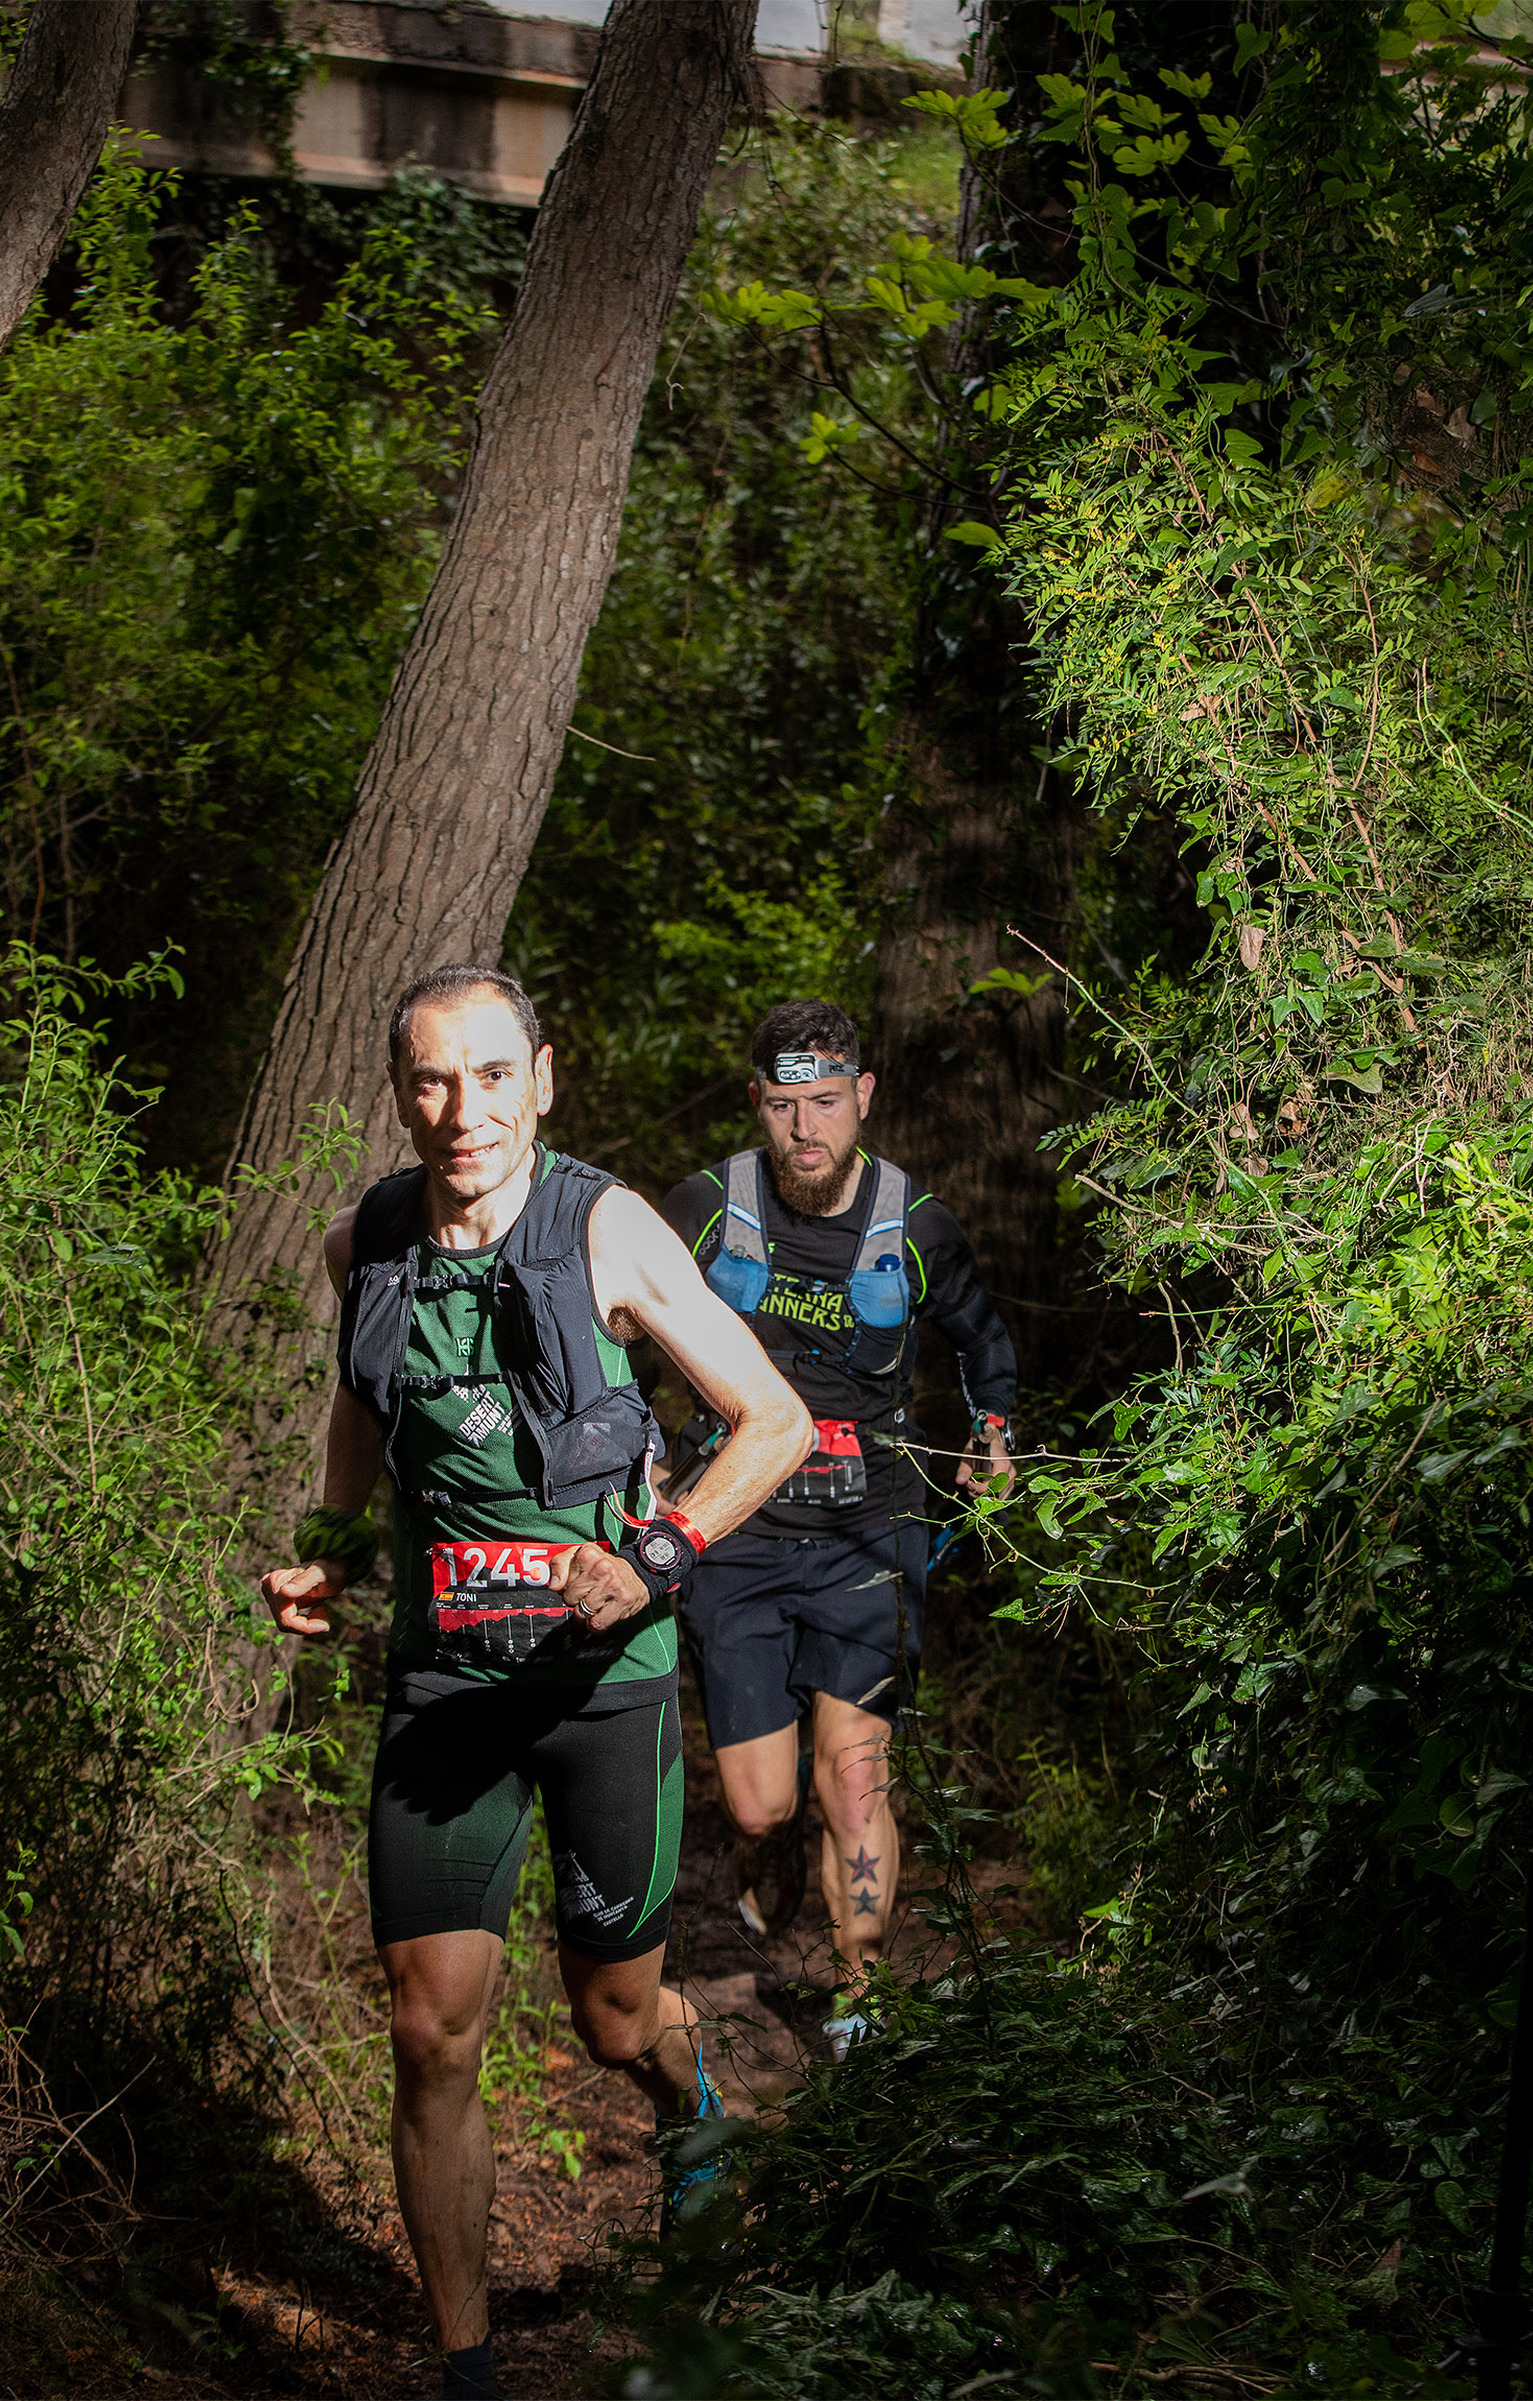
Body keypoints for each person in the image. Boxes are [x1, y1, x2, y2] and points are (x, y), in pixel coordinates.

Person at [259, 965, 811, 2401]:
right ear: (401, 1094)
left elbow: (774, 1420)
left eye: (494, 1074)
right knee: (428, 2025)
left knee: (613, 2016)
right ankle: (469, 2368)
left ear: (542, 1080)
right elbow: (365, 1408)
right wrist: (331, 1550)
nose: (466, 1111)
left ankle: (694, 2105)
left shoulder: (606, 1230)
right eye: (435, 1080)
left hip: (602, 1685)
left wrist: (658, 1554)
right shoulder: (365, 1241)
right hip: (447, 1684)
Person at [658, 999, 1016, 2059]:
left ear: (863, 1095)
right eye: (783, 1104)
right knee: (760, 1806)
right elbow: (613, 1320)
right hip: (736, 1526)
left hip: (871, 1530)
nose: (804, 1128)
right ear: (756, 1102)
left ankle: (862, 2002)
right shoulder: (706, 1207)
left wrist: (991, 1430)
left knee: (855, 1776)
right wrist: (636, 1445)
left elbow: (982, 1339)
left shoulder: (917, 1224)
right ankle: (768, 1855)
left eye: (824, 1101)